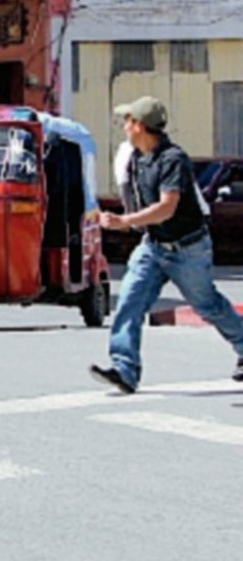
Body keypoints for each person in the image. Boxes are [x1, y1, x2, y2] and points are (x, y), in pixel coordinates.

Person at [90, 96, 243, 394]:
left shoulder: (173, 159)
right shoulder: (134, 157)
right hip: (154, 244)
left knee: (207, 305)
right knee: (130, 301)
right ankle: (124, 369)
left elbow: (167, 207)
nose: (123, 126)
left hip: (188, 247)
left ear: (139, 126)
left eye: (127, 120)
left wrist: (125, 221)